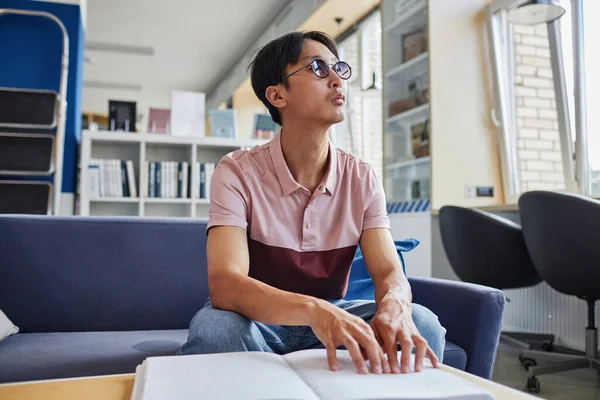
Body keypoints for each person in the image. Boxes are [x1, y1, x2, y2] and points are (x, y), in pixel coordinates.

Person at [178, 31, 446, 375]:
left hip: (336, 311)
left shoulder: (361, 177)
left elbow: (389, 272)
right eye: (318, 68)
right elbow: (225, 286)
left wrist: (394, 305)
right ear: (277, 95)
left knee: (422, 322)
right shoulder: (236, 172)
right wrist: (315, 310)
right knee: (215, 329)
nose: (337, 80)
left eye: (339, 69)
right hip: (256, 321)